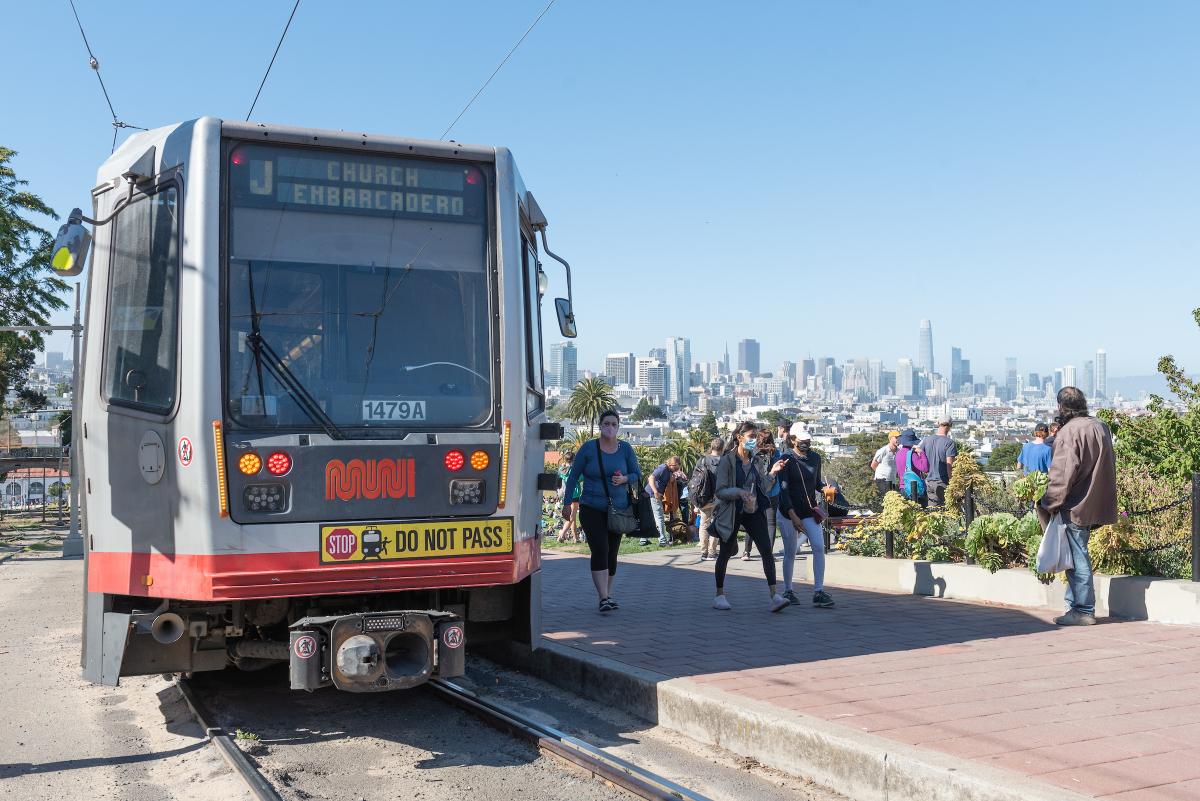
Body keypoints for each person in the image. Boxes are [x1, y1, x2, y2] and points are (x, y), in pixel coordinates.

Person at [1036, 387, 1117, 626]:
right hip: (1096, 501)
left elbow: (1062, 473)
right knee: (1076, 553)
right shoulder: (1100, 426)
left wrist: (1049, 502)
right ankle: (1074, 607)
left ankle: (1082, 610)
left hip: (1075, 504)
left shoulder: (1069, 432)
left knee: (1077, 557)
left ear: (1062, 407)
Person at [563, 410, 643, 613]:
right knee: (600, 549)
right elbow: (573, 477)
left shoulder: (625, 449)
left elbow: (637, 474)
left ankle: (608, 594)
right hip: (591, 507)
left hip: (618, 509)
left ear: (618, 427)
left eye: (614, 424)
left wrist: (624, 479)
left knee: (612, 552)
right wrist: (566, 503)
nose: (610, 427)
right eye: (606, 423)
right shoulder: (589, 448)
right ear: (600, 426)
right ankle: (603, 597)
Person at [710, 421, 789, 612]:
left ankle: (774, 595)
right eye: (751, 437)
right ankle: (719, 595)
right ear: (739, 437)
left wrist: (772, 473)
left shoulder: (756, 460)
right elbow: (720, 491)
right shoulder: (727, 461)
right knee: (726, 552)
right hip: (732, 511)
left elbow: (763, 486)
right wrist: (738, 492)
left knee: (766, 551)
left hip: (752, 510)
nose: (754, 441)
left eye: (756, 437)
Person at [777, 427, 836, 607]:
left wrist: (825, 489)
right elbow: (784, 491)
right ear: (793, 439)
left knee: (818, 547)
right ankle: (788, 589)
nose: (806, 444)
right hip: (789, 511)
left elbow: (816, 483)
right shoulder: (786, 459)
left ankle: (818, 590)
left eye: (808, 440)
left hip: (809, 509)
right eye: (802, 440)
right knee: (790, 551)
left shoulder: (815, 458)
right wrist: (792, 515)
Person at [742, 428, 780, 561]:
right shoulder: (776, 452)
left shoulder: (751, 448)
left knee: (752, 520)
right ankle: (768, 554)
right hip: (773, 491)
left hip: (755, 490)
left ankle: (746, 552)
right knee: (771, 523)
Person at [694, 437, 724, 560]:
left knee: (703, 524)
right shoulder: (724, 461)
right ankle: (712, 552)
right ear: (722, 448)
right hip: (719, 498)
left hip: (703, 497)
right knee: (716, 524)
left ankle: (704, 552)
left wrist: (695, 502)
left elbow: (696, 481)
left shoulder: (702, 460)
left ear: (711, 447)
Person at [918, 418, 957, 506]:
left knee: (932, 512)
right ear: (950, 426)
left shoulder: (926, 440)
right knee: (944, 512)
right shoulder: (950, 443)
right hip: (942, 482)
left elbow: (918, 453)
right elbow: (949, 465)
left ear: (938, 424)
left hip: (928, 481)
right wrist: (953, 483)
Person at [647, 455, 682, 547]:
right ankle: (662, 541)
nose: (678, 468)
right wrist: (655, 492)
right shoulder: (662, 468)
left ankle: (643, 539)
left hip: (651, 495)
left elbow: (667, 480)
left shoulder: (668, 470)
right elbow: (650, 478)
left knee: (649, 518)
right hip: (652, 494)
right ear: (672, 464)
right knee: (659, 517)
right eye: (677, 466)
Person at [895, 428, 930, 507]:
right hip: (914, 489)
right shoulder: (911, 454)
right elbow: (925, 468)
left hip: (903, 487)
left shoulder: (898, 453)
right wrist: (921, 453)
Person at [870, 430, 900, 496]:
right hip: (882, 479)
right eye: (896, 438)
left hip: (892, 480)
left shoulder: (899, 451)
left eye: (899, 438)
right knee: (889, 498)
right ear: (890, 439)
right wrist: (881, 473)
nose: (898, 439)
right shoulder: (883, 451)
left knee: (894, 499)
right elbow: (873, 465)